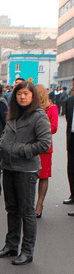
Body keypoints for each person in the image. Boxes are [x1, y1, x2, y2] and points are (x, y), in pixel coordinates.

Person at [0, 82, 51, 265]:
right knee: (11, 209)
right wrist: (3, 143)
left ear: (33, 96)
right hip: (9, 167)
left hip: (26, 169)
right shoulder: (13, 115)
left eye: (26, 93)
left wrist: (19, 150)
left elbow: (44, 144)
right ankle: (11, 245)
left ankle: (27, 251)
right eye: (19, 94)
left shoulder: (39, 117)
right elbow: (5, 135)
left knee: (27, 211)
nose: (22, 97)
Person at [34, 85, 58, 218]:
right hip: (29, 146)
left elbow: (54, 127)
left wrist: (38, 129)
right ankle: (28, 203)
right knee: (29, 176)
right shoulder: (28, 108)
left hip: (44, 148)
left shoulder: (51, 108)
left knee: (43, 176)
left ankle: (39, 203)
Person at [65, 78, 74, 210]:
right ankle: (73, 194)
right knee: (71, 168)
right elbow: (68, 119)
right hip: (72, 138)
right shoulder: (69, 101)